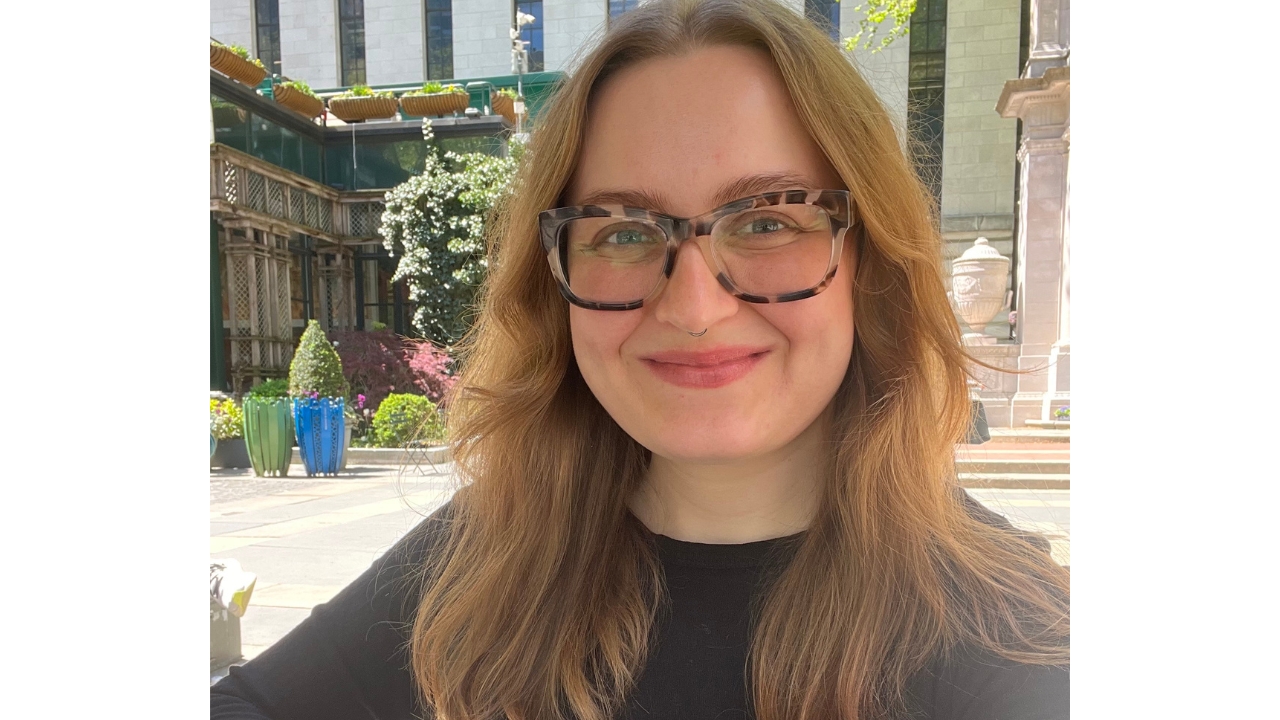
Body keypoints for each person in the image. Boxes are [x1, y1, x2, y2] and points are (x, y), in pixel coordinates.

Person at [211, 1, 1069, 717]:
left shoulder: (1023, 638)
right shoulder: (483, 566)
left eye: (768, 220)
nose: (693, 308)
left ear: (869, 262)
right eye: (622, 232)